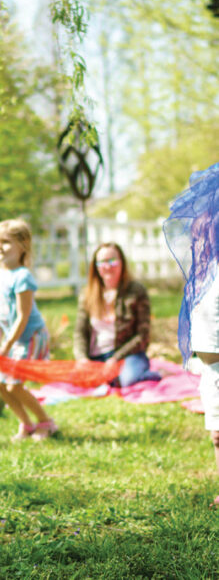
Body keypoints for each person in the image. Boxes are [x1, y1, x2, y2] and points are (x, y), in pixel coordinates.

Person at [163, 163, 219, 508]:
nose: (199, 238)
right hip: (210, 370)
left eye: (206, 231)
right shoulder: (203, 273)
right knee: (217, 433)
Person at [0, 219, 58, 441]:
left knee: (14, 385)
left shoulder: (22, 277)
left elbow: (23, 316)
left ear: (22, 246)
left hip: (30, 337)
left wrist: (7, 346)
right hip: (11, 339)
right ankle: (26, 424)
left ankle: (46, 422)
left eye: (6, 242)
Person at [74, 242, 161, 388]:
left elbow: (143, 336)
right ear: (95, 267)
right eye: (102, 262)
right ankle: (112, 377)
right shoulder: (87, 294)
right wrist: (82, 359)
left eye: (112, 260)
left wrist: (115, 358)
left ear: (122, 263)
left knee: (128, 380)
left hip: (127, 355)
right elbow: (80, 332)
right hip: (97, 356)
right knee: (82, 382)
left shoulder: (136, 291)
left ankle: (158, 373)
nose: (107, 266)